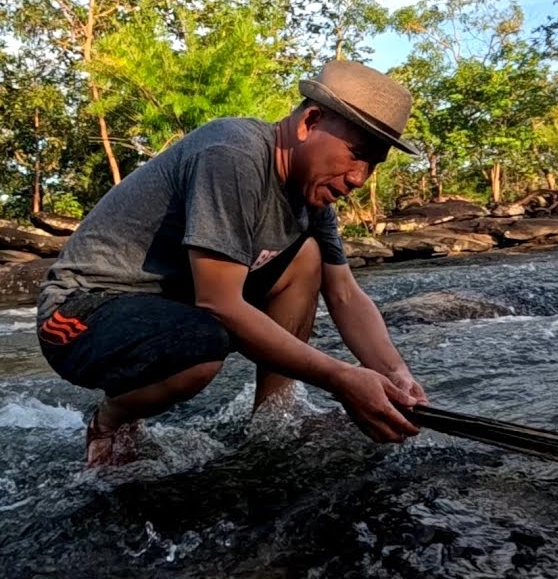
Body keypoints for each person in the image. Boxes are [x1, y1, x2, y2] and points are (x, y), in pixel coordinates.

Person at [36, 60, 429, 466]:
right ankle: (110, 420)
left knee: (306, 256)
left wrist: (395, 374)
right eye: (356, 155)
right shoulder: (232, 152)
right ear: (309, 122)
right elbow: (219, 303)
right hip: (80, 311)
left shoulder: (312, 199)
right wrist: (342, 379)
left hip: (172, 309)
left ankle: (276, 415)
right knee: (202, 346)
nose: (359, 178)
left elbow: (345, 294)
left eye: (373, 165)